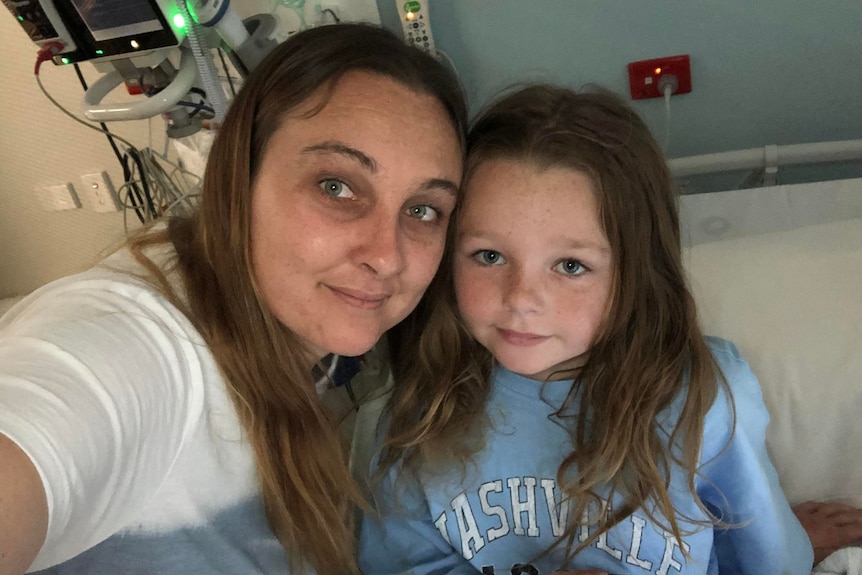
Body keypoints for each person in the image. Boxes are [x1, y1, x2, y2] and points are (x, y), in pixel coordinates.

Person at [0, 23, 466, 575]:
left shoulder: (308, 342)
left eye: (422, 210)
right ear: (237, 179)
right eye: (336, 186)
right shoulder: (139, 350)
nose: (387, 256)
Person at [358, 85, 862, 574]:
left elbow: (764, 557)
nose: (520, 299)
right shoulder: (418, 418)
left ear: (635, 274)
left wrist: (794, 544)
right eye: (489, 256)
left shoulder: (700, 400)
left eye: (571, 266)